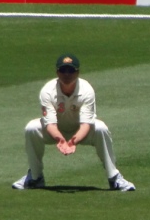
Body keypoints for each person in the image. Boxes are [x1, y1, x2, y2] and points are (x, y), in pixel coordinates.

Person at [12, 54, 135, 192]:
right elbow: (50, 125)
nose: (67, 74)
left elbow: (86, 125)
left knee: (101, 128)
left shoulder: (86, 90)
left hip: (81, 130)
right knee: (31, 128)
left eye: (71, 71)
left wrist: (72, 142)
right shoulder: (47, 91)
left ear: (77, 72)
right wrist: (61, 140)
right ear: (57, 72)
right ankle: (35, 177)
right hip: (56, 130)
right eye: (63, 70)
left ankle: (114, 178)